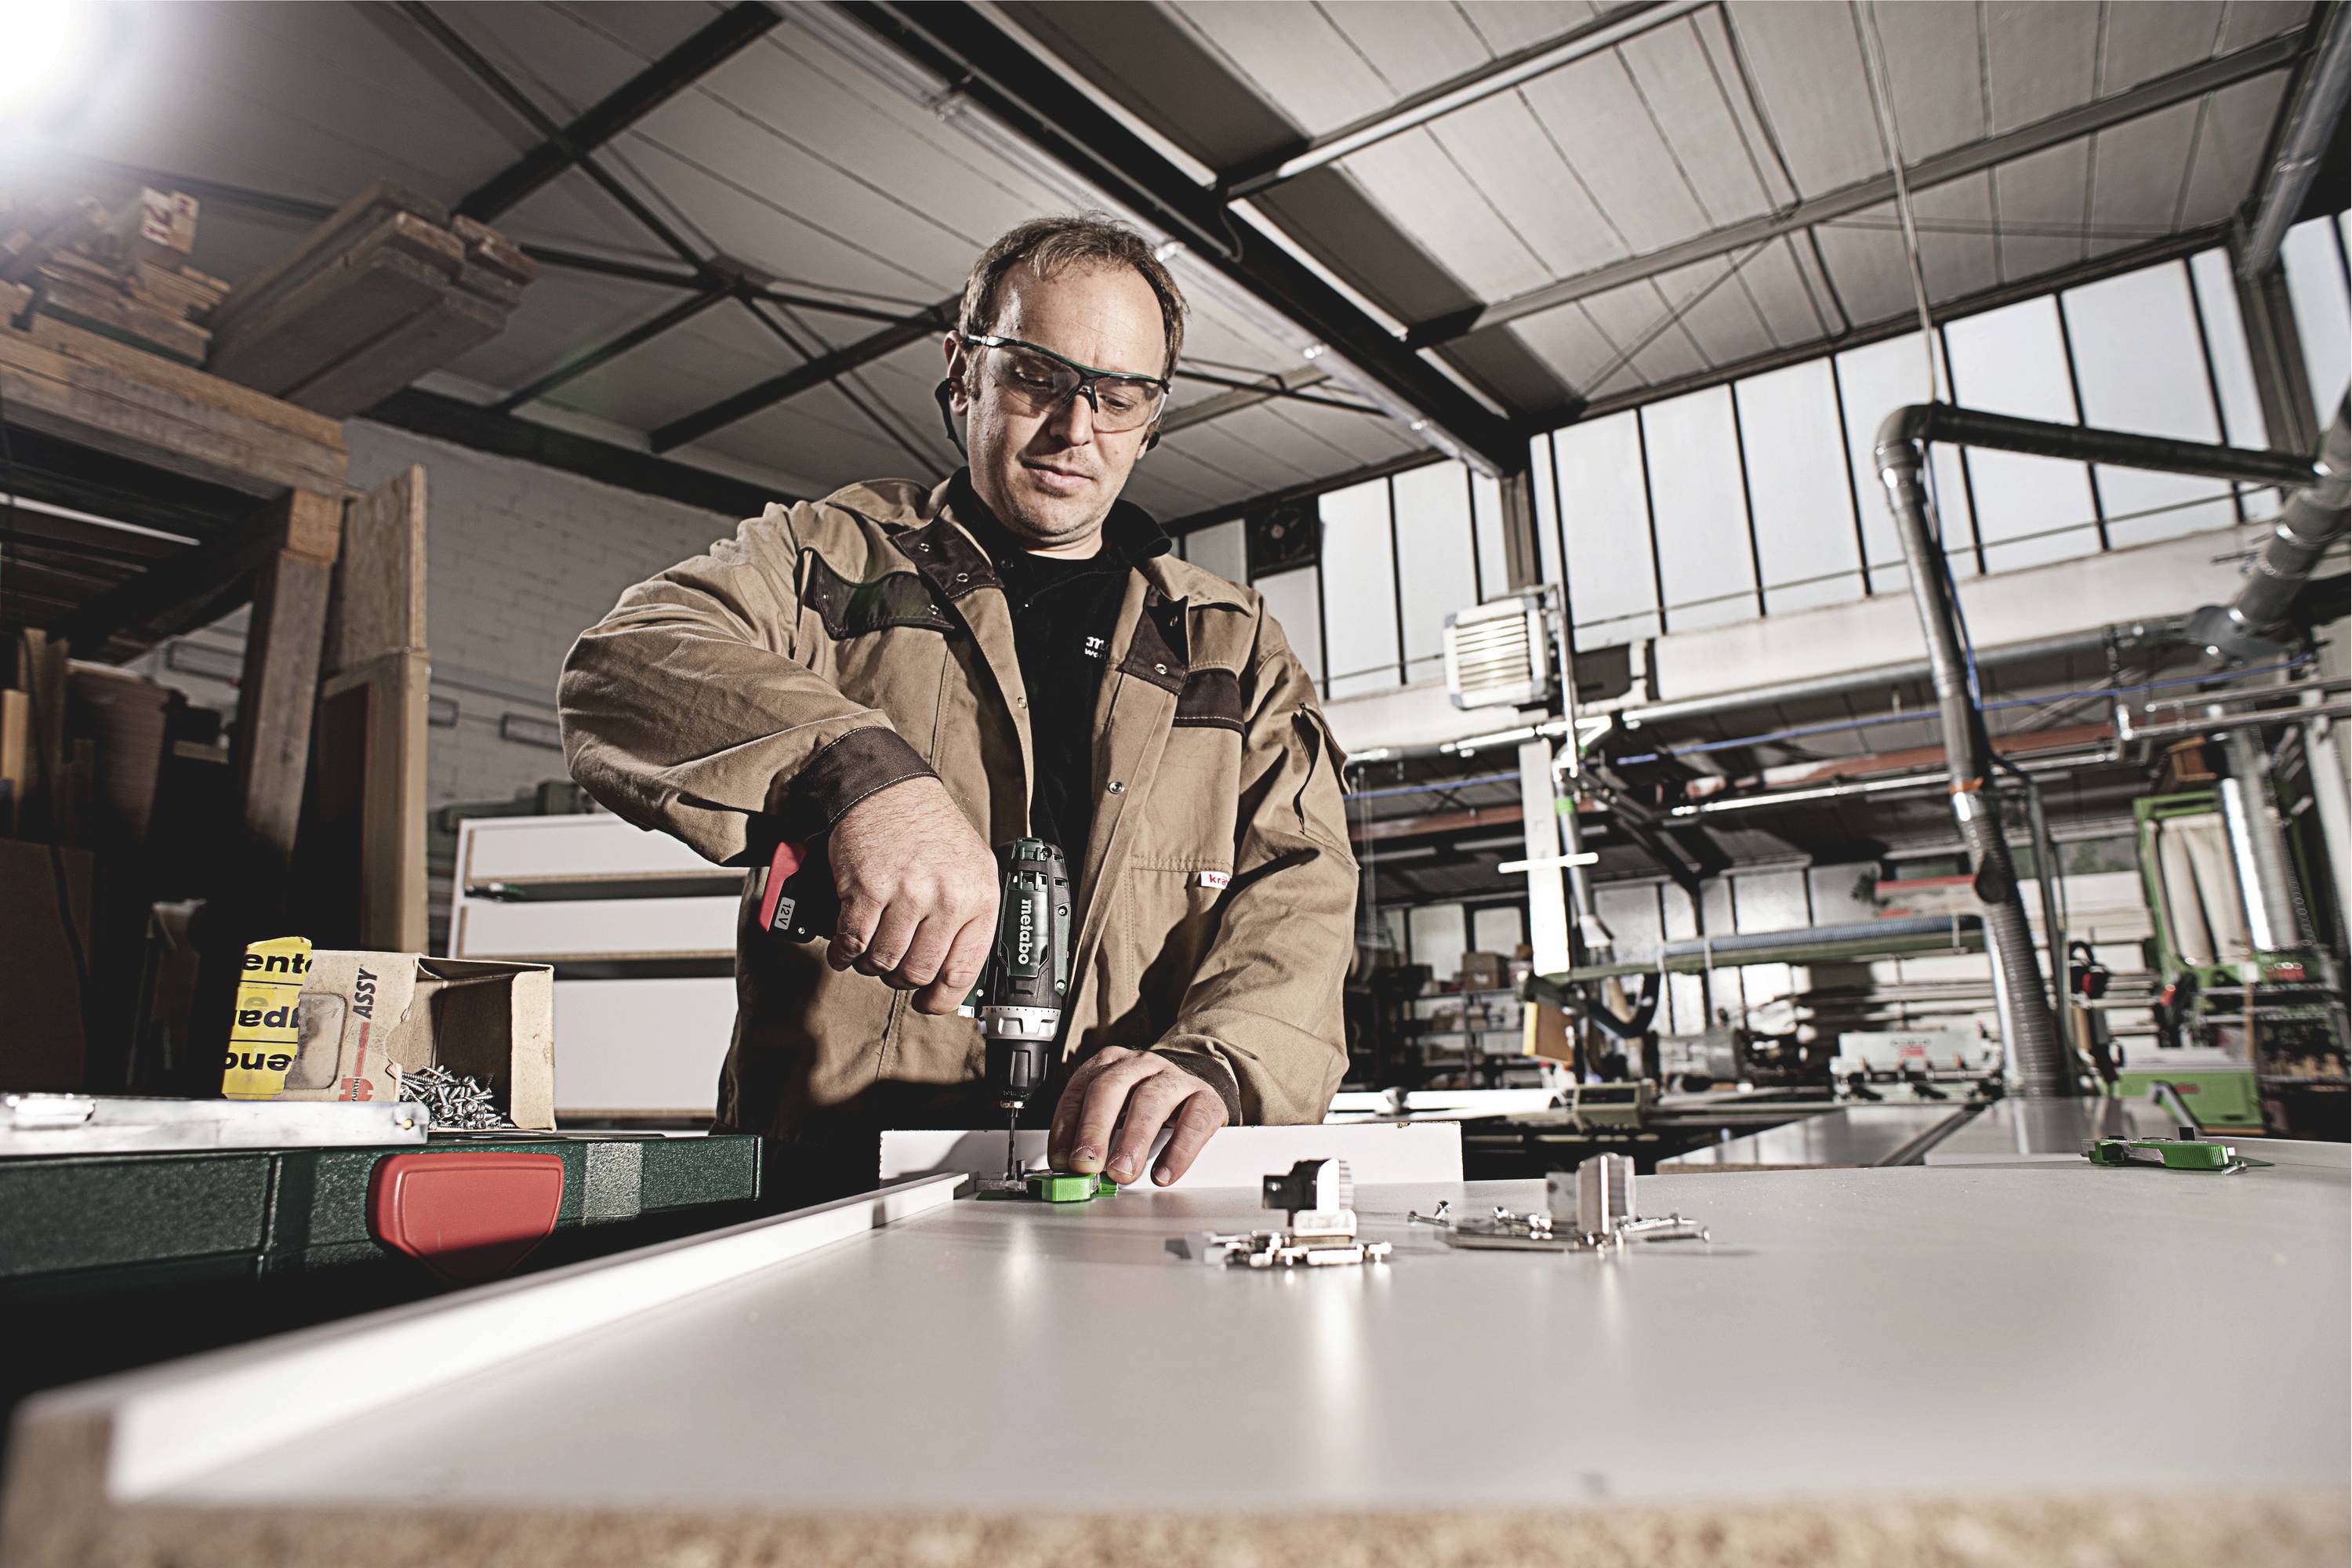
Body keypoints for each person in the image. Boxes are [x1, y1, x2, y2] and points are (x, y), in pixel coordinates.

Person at [559, 215, 1357, 1202]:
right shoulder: (832, 559)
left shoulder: (1230, 647)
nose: (1075, 429)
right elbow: (623, 663)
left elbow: (1303, 892)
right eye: (1036, 376)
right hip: (834, 1188)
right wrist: (854, 771)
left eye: (1118, 397)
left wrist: (1218, 1063)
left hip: (1129, 1189)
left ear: (1152, 419)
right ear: (961, 370)